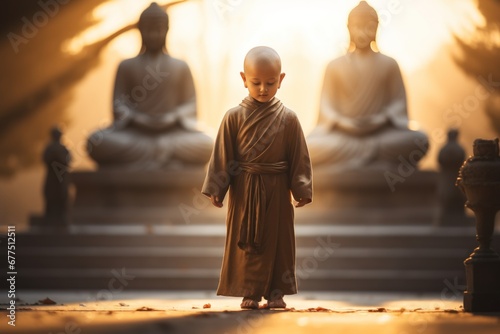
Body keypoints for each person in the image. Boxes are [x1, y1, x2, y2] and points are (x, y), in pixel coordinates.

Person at [201, 46, 313, 309]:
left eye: (270, 82)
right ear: (243, 79)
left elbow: (299, 156)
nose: (263, 88)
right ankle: (249, 291)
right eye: (256, 82)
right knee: (247, 245)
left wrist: (302, 188)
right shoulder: (233, 117)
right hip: (245, 190)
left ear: (281, 80)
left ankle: (276, 293)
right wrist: (217, 187)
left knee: (279, 244)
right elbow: (223, 156)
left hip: (277, 188)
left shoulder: (289, 119)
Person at [87, 2, 212, 169]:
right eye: (149, 30)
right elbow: (118, 105)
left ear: (167, 30)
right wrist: (137, 118)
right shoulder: (126, 66)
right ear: (140, 31)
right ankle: (163, 155)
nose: (154, 35)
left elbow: (191, 104)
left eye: (159, 29)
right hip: (135, 135)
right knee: (95, 142)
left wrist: (173, 117)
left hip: (172, 134)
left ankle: (151, 155)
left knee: (209, 143)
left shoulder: (180, 66)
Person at [307, 1, 428, 171]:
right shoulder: (334, 65)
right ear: (348, 28)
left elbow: (399, 103)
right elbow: (326, 106)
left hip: (381, 134)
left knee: (420, 141)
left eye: (368, 27)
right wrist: (342, 122)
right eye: (357, 27)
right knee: (307, 147)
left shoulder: (389, 64)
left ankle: (357, 155)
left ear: (377, 28)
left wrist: (382, 118)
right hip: (342, 136)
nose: (362, 32)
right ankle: (369, 154)